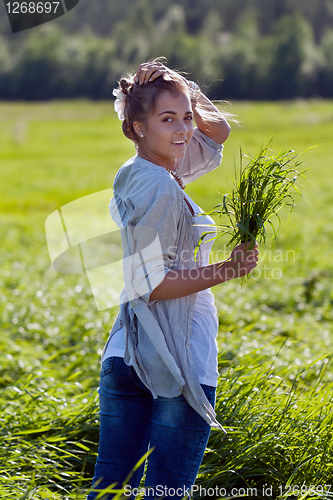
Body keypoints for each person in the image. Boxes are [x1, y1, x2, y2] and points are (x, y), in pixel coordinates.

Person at [87, 60, 259, 500]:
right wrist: (227, 270)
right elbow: (153, 284)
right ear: (135, 128)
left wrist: (183, 90)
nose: (184, 130)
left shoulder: (152, 172)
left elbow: (217, 132)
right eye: (168, 120)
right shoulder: (162, 186)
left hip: (127, 352)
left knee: (109, 490)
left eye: (185, 118)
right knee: (165, 493)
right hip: (176, 357)